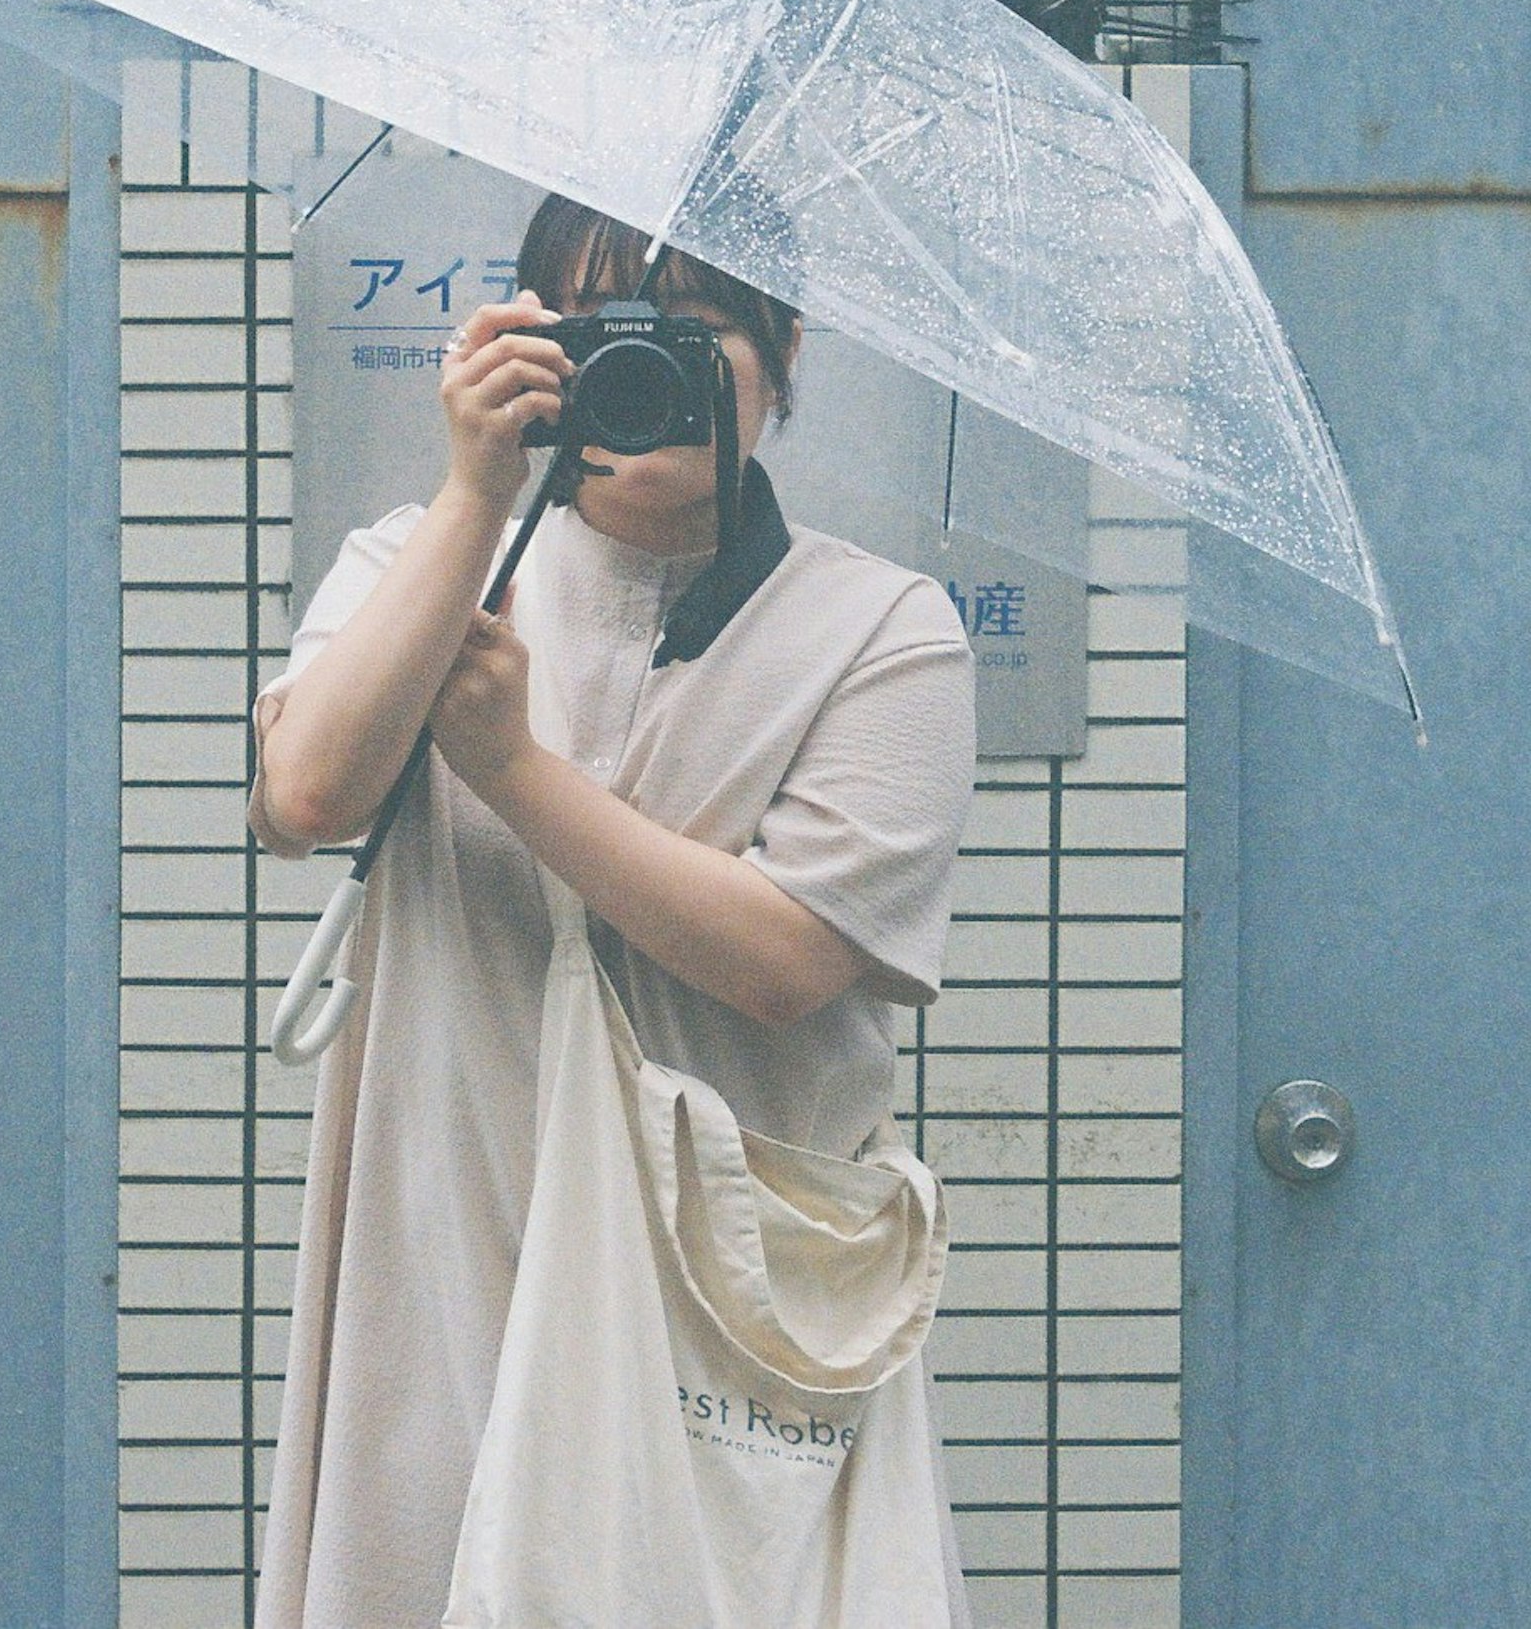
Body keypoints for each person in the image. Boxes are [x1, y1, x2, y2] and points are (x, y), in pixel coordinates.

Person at [247, 194, 982, 1629]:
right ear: (535, 348)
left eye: (701, 330)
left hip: (711, 1295)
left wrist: (513, 770)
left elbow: (788, 959)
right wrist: (472, 495)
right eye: (604, 333)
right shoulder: (421, 558)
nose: (652, 373)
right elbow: (309, 789)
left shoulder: (888, 628)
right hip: (450, 1223)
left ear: (783, 356)